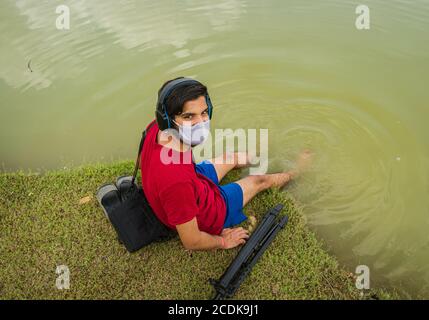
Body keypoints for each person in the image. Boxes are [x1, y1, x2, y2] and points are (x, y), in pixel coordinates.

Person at [140, 77, 312, 251]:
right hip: (207, 212)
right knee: (258, 181)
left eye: (204, 113)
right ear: (167, 119)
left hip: (193, 178)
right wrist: (222, 241)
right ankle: (296, 172)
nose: (201, 123)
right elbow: (191, 241)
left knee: (231, 157)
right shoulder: (176, 181)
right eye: (188, 116)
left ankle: (257, 153)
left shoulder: (155, 129)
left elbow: (148, 164)